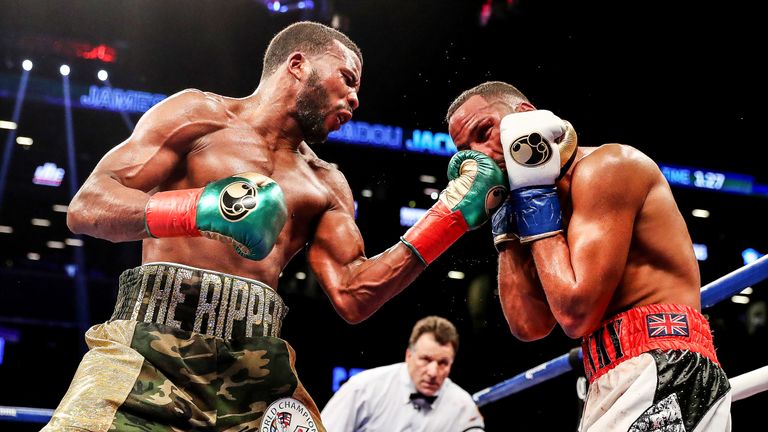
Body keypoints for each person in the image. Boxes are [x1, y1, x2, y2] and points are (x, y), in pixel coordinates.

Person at [43, 23, 505, 432]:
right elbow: (87, 208)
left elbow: (354, 295)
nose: (355, 99)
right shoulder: (196, 114)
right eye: (347, 79)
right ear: (298, 65)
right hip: (151, 348)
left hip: (256, 370)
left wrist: (446, 220)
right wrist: (201, 209)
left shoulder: (326, 183)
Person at [445, 81, 732, 431]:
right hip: (611, 378)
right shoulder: (537, 205)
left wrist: (533, 196)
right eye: (466, 149)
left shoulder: (609, 167)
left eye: (484, 132)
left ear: (524, 118)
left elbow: (574, 313)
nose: (480, 155)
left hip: (666, 366)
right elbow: (529, 326)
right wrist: (505, 225)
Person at [320, 315, 484, 431]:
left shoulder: (463, 406)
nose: (433, 372)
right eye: (425, 359)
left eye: (443, 363)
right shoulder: (362, 389)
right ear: (408, 355)